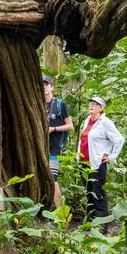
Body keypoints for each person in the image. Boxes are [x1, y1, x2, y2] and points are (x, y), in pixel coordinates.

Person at [77, 96, 125, 228]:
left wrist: (111, 156)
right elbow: (83, 140)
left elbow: (119, 139)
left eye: (95, 104)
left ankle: (102, 224)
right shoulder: (87, 120)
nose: (91, 106)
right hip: (84, 162)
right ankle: (91, 222)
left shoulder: (105, 122)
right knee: (89, 193)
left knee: (98, 193)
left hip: (97, 163)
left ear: (101, 108)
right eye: (90, 103)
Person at [44, 75, 73, 207]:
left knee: (53, 179)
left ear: (52, 87)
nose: (44, 87)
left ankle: (61, 214)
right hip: (41, 148)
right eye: (42, 85)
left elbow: (70, 126)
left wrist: (53, 129)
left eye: (46, 84)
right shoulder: (37, 104)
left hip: (55, 148)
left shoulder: (60, 104)